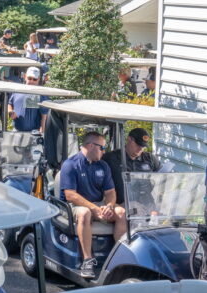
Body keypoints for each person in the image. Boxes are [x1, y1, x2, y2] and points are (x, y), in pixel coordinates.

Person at [60, 132, 127, 275]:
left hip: (97, 204)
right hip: (75, 206)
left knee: (121, 212)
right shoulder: (70, 164)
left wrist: (109, 206)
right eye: (102, 147)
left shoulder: (103, 166)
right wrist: (95, 208)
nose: (104, 151)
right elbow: (70, 195)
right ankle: (87, 261)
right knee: (85, 213)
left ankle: (120, 257)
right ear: (90, 146)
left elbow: (110, 192)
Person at [8, 66, 48, 133]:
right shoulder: (17, 90)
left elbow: (44, 115)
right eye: (29, 78)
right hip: (16, 131)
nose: (31, 81)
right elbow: (10, 103)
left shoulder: (41, 94)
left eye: (34, 79)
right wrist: (10, 112)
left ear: (38, 79)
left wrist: (42, 133)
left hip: (33, 133)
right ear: (25, 76)